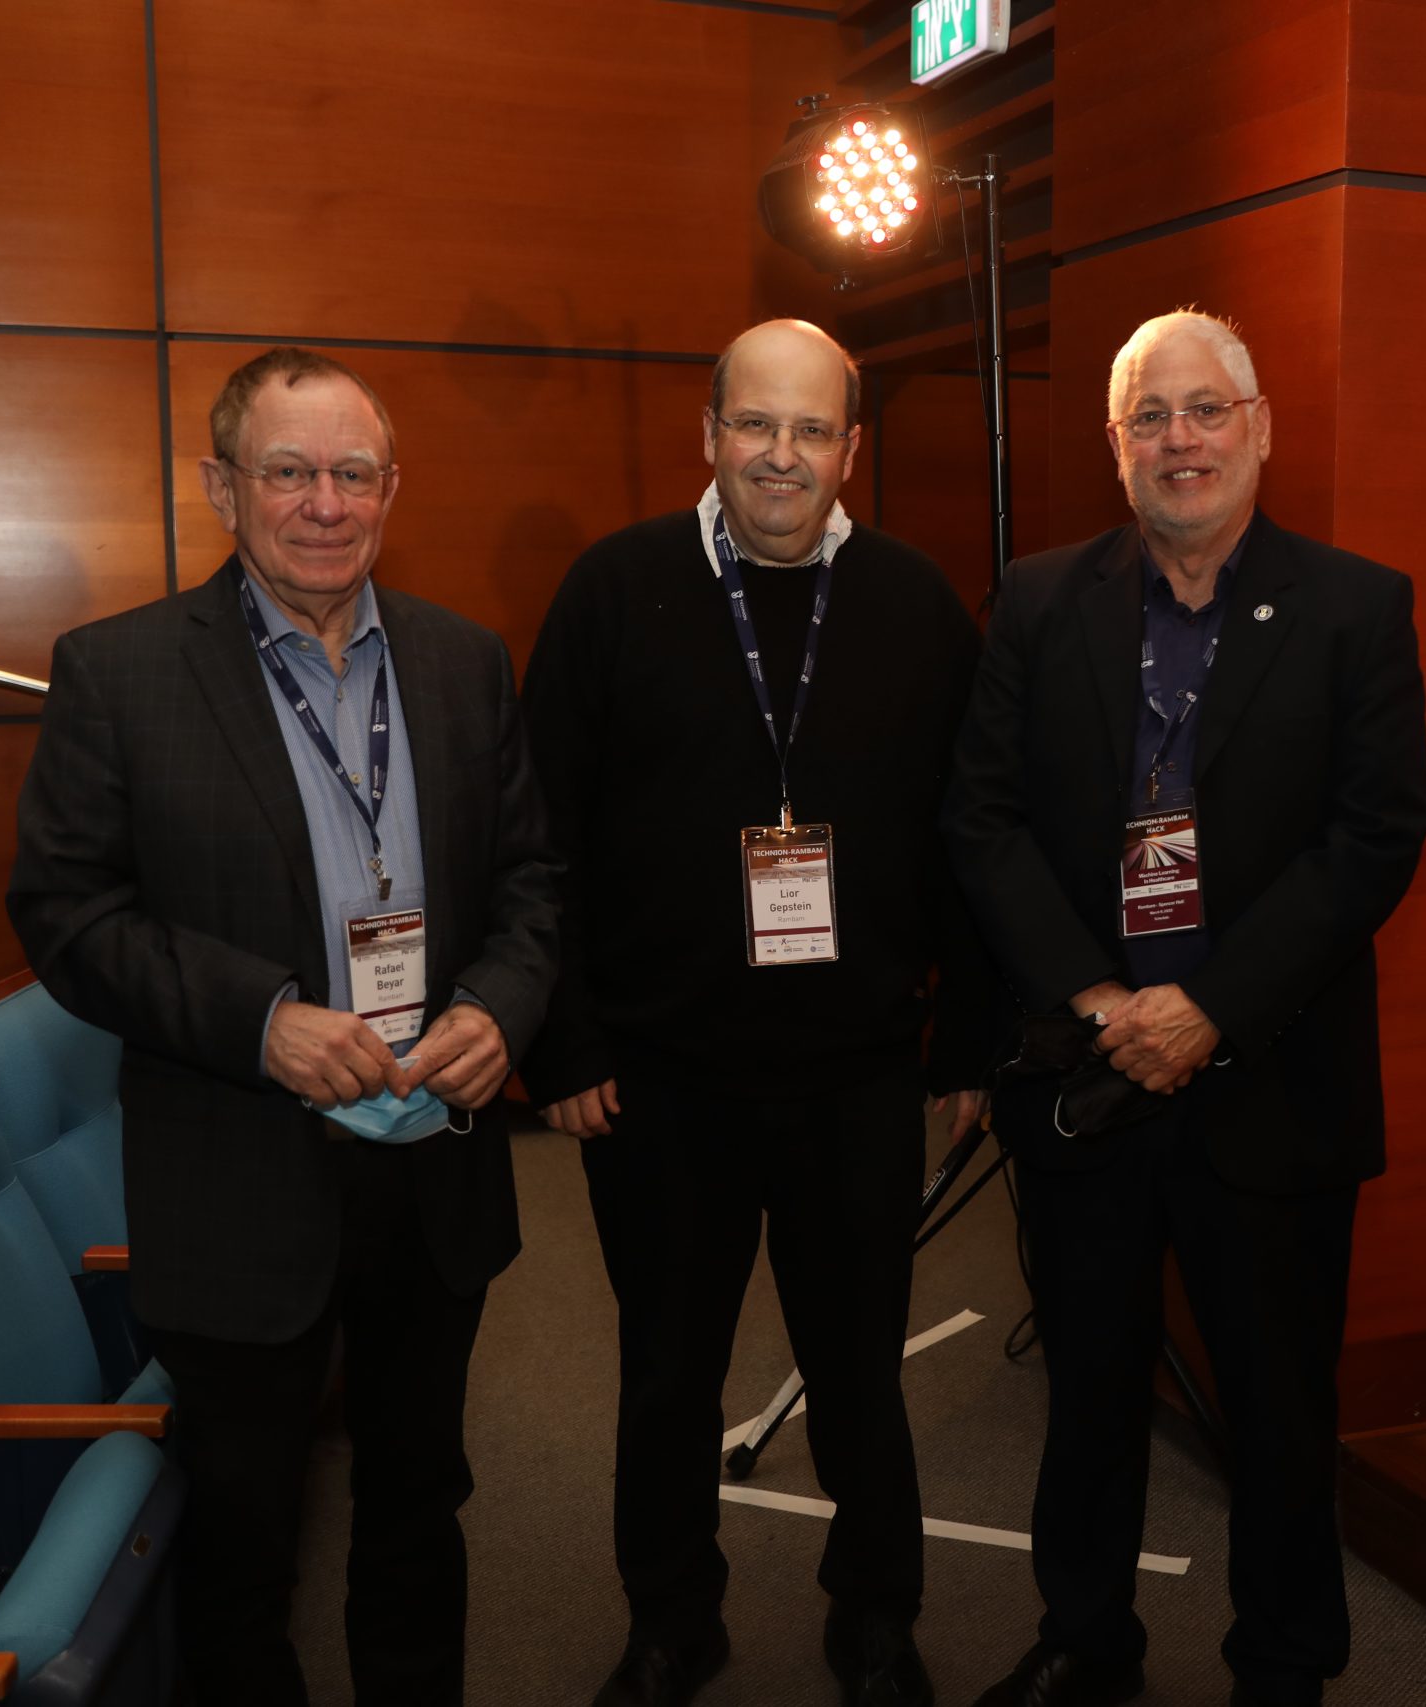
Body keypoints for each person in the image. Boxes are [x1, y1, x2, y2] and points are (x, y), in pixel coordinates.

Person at [7, 345, 560, 1707]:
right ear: (223, 487)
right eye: (290, 471)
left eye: (353, 473)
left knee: (419, 1501)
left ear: (391, 488)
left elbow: (534, 882)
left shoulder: (464, 660)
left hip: (431, 1161)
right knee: (244, 1534)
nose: (325, 503)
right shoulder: (119, 672)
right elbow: (67, 915)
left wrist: (500, 1003)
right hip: (238, 1176)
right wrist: (259, 1021)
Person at [945, 309, 1426, 1707]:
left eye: (1207, 408)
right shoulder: (1040, 600)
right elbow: (981, 818)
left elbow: (1373, 837)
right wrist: (1104, 1000)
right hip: (1087, 1073)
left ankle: (1284, 1663)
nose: (1181, 439)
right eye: (1150, 416)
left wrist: (1209, 1007)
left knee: (1279, 1409)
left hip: (1270, 1076)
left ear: (1259, 426)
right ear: (1117, 446)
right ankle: (1084, 1641)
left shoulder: (1355, 607)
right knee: (1088, 1393)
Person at [519, 318, 987, 1707]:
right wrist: (563, 1040)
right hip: (659, 1081)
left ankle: (876, 1616)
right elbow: (537, 835)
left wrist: (966, 1038)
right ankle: (672, 1619)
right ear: (711, 433)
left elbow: (969, 834)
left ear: (851, 447)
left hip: (856, 1076)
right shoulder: (614, 590)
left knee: (859, 1372)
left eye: (811, 429)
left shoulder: (914, 602)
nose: (782, 454)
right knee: (667, 1373)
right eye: (756, 424)